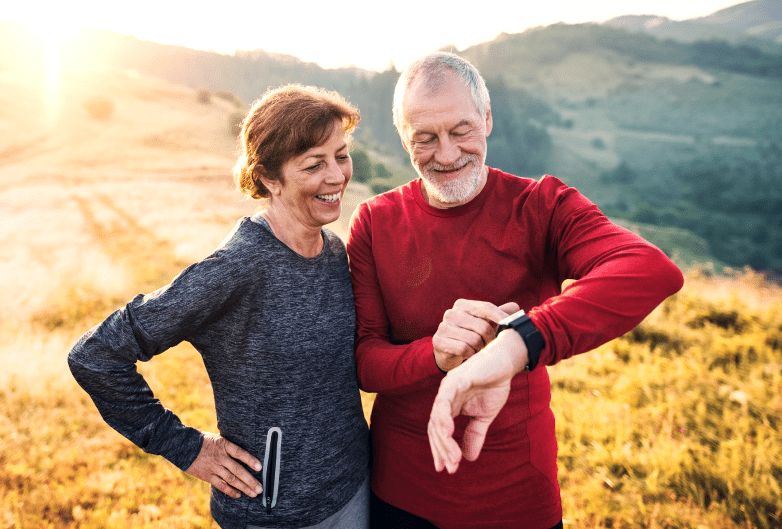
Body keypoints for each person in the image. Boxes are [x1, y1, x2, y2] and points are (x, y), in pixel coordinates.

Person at [346, 52, 684, 529]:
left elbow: (649, 269)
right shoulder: (374, 220)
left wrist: (518, 341)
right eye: (425, 138)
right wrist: (435, 354)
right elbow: (366, 362)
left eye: (461, 130)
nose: (447, 154)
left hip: (517, 497)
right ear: (405, 139)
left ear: (487, 119)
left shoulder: (542, 205)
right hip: (400, 492)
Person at [68, 84, 370, 529]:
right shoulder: (236, 268)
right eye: (314, 164)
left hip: (355, 492)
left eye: (341, 156)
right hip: (273, 515)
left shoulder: (333, 251)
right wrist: (187, 447)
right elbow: (95, 356)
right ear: (269, 177)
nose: (337, 176)